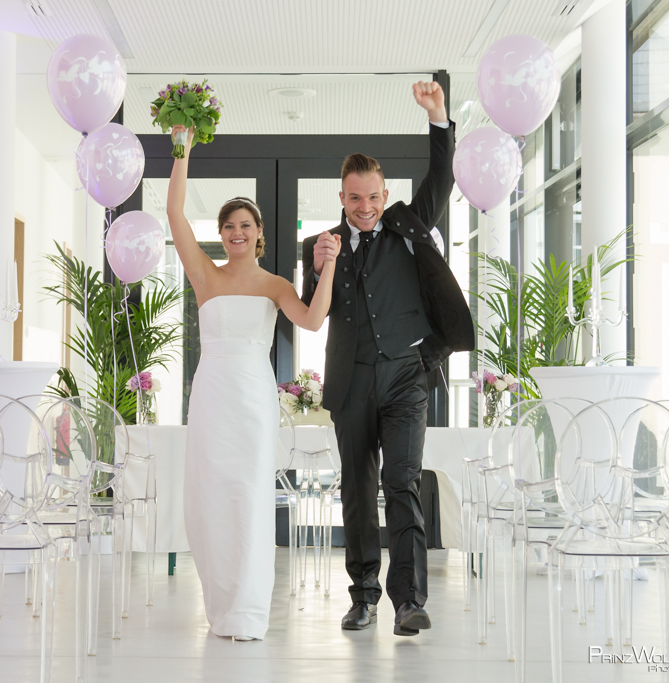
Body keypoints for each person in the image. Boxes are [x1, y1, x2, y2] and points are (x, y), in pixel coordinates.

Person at [300, 81, 474, 636]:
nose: (367, 207)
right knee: (356, 488)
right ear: (342, 197)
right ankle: (364, 594)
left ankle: (409, 601)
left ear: (383, 192)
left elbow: (442, 177)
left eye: (374, 196)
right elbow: (310, 312)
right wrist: (322, 264)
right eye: (356, 198)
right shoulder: (321, 245)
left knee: (401, 483)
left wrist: (439, 116)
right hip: (350, 384)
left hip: (405, 378)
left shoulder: (407, 224)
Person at [168, 125, 340, 641]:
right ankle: (220, 605)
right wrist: (183, 148)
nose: (235, 232)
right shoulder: (205, 275)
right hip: (213, 395)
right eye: (227, 226)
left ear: (259, 232)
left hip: (253, 399)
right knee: (210, 499)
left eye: (244, 225)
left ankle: (247, 610)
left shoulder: (275, 284)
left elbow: (311, 321)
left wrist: (327, 267)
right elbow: (175, 214)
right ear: (220, 234)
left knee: (248, 494)